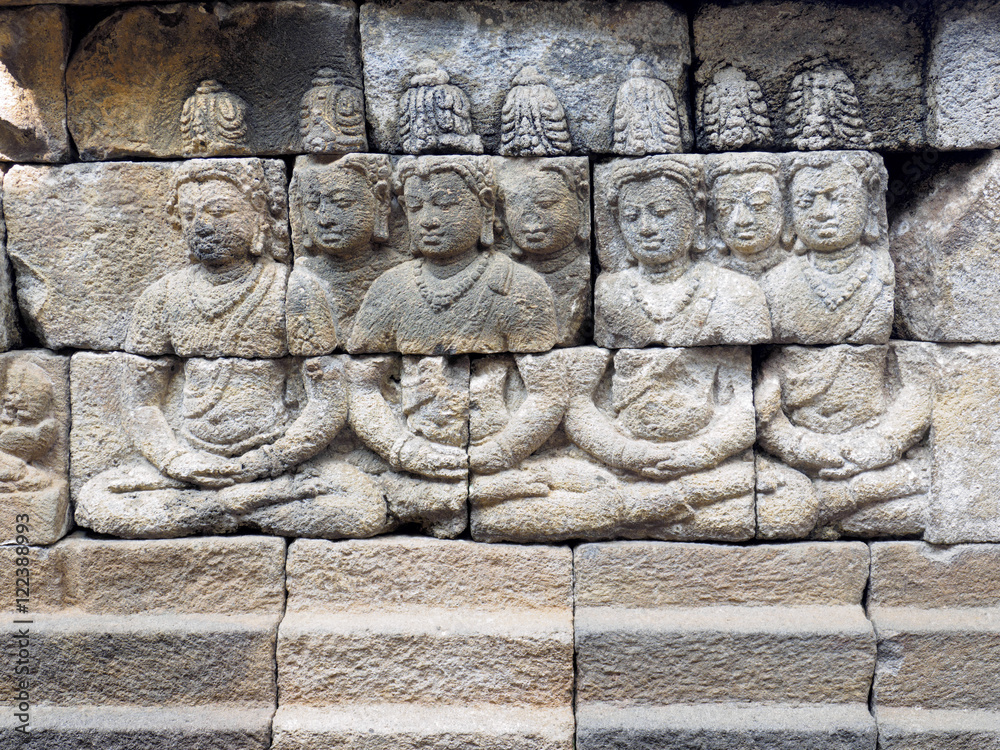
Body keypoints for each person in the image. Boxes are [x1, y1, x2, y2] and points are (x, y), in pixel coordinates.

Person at [75, 356, 388, 539]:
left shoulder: (293, 292)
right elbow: (140, 403)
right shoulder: (163, 298)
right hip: (193, 466)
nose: (207, 236)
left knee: (366, 507)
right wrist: (175, 460)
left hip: (280, 465)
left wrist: (267, 462)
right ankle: (235, 507)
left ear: (258, 237)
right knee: (95, 499)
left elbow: (328, 401)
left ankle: (230, 506)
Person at [348, 155, 558, 355]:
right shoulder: (389, 287)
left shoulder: (520, 287)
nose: (428, 220)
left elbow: (542, 382)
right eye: (415, 206)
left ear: (485, 205)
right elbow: (363, 376)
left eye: (445, 205)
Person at [755, 344, 930, 538]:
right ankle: (837, 506)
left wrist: (883, 444)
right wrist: (796, 446)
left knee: (925, 500)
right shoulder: (773, 361)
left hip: (873, 442)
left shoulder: (877, 322)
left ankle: (836, 506)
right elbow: (764, 413)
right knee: (786, 507)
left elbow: (920, 387)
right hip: (804, 451)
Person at [595, 156, 771, 347]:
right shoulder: (609, 293)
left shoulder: (738, 293)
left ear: (697, 217)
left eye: (662, 212)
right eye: (631, 216)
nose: (646, 228)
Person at [125, 159, 289, 358]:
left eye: (218, 212)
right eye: (188, 215)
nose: (201, 227)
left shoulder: (284, 288)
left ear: (259, 216)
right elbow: (142, 385)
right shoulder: (162, 296)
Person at [763, 151, 893, 344]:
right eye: (806, 202)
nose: (821, 213)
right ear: (789, 213)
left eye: (838, 198)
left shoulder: (882, 271)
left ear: (870, 201)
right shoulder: (775, 283)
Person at [285, 154, 396, 354]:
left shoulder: (400, 276)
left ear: (380, 202)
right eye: (313, 205)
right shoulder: (303, 279)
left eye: (342, 202)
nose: (325, 219)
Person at [498, 159, 590, 346]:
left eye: (545, 203)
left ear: (581, 203)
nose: (529, 218)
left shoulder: (586, 276)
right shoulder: (499, 279)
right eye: (515, 204)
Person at [706, 153, 788, 277]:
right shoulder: (709, 279)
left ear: (782, 208)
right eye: (726, 208)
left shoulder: (798, 272)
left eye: (758, 204)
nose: (742, 220)